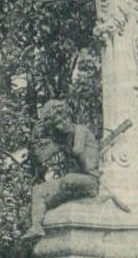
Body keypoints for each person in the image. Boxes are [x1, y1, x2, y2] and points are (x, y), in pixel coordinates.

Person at [26, 99, 100, 238]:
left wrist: (60, 143)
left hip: (90, 180)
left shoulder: (80, 130)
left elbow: (77, 150)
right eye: (58, 122)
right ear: (53, 126)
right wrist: (36, 136)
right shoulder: (61, 139)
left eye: (65, 118)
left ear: (69, 115)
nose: (64, 123)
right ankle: (36, 226)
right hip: (72, 181)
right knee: (38, 190)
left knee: (68, 180)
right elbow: (42, 158)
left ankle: (52, 203)